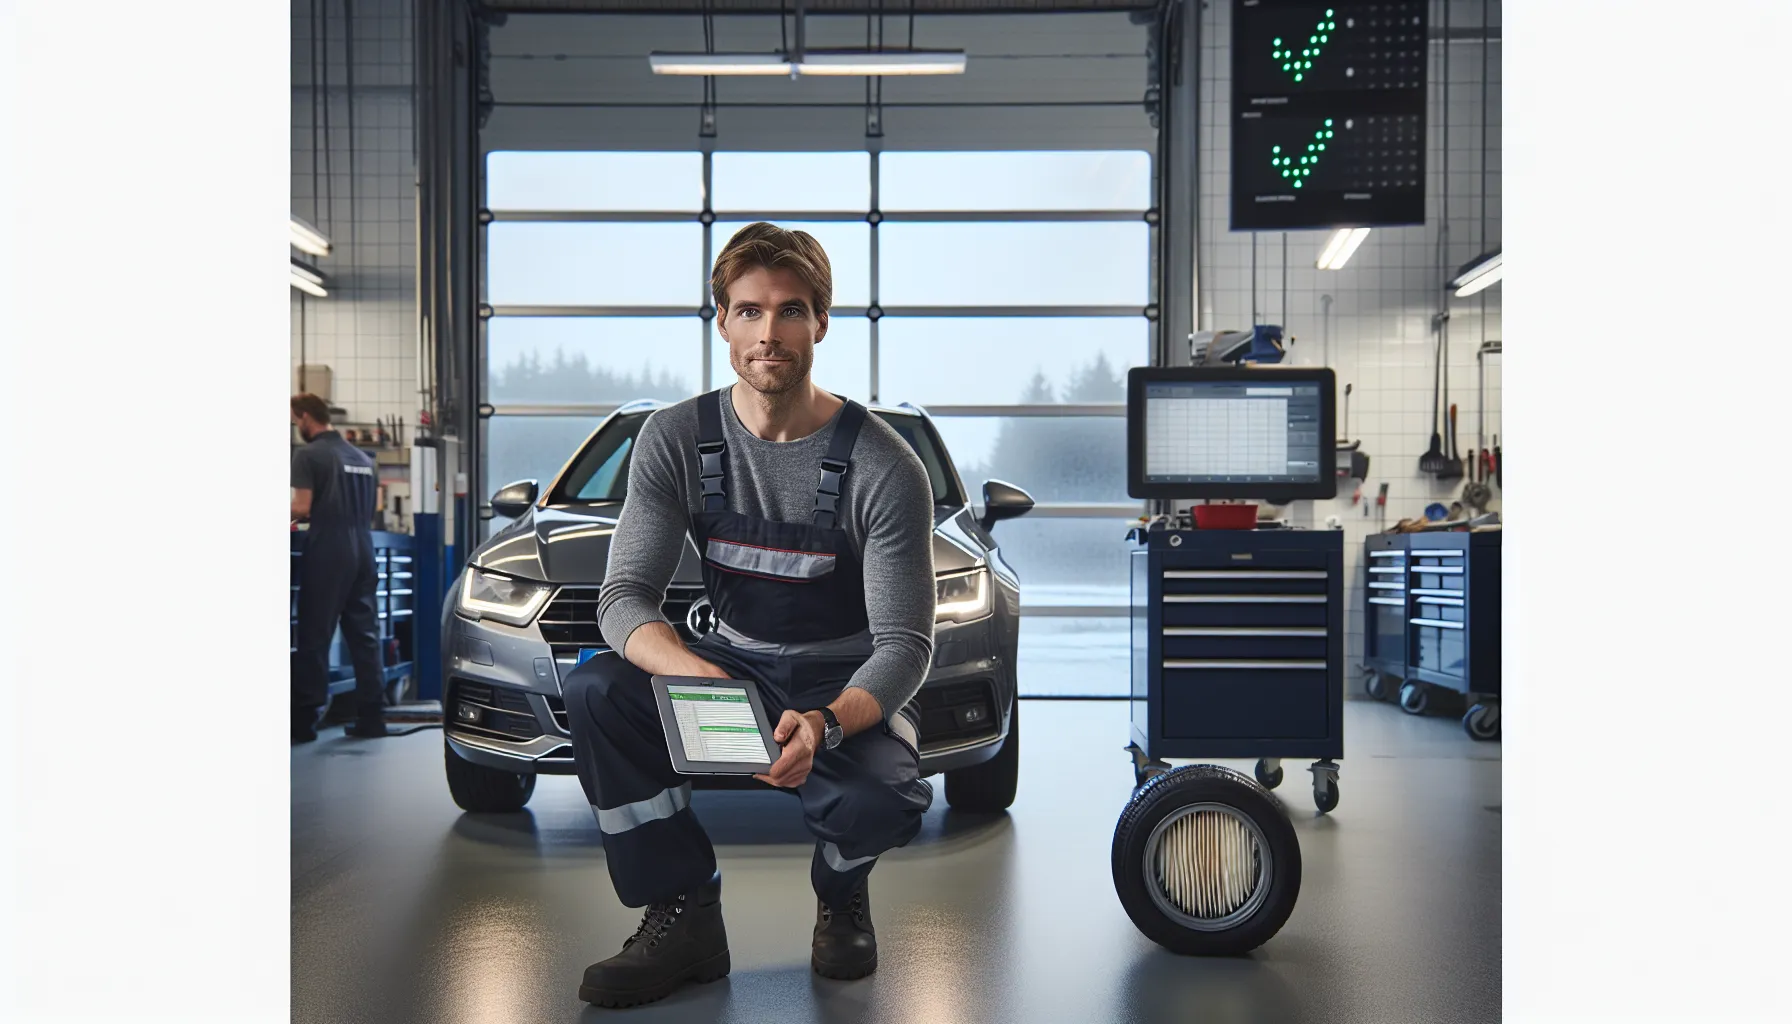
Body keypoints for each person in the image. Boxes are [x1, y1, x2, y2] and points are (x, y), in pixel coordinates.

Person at [562, 223, 938, 1008]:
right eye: (748, 311)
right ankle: (685, 908)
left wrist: (828, 724)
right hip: (726, 667)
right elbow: (622, 598)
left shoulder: (883, 464)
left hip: (838, 681)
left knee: (888, 797)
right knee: (600, 691)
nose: (770, 334)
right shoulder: (675, 439)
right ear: (722, 320)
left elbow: (905, 645)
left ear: (821, 322)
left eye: (791, 311)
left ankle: (839, 890)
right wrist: (696, 674)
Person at [290, 393, 387, 742]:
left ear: (304, 417)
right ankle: (373, 717)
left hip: (329, 550)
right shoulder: (362, 457)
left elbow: (300, 505)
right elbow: (366, 506)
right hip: (364, 547)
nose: (295, 427)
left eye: (294, 420)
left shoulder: (309, 454)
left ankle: (304, 722)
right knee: (365, 636)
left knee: (315, 635)